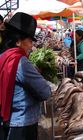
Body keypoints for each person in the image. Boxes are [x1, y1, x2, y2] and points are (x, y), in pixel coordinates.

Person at [0, 12, 51, 140]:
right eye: (29, 41)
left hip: (5, 121)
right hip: (22, 124)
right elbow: (45, 92)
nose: (31, 45)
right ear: (18, 41)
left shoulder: (3, 56)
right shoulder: (21, 62)